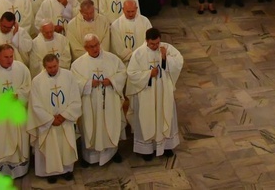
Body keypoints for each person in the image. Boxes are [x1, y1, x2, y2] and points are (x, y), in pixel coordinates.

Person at [126, 28, 184, 160]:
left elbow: (179, 62)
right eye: (152, 44)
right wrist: (148, 74)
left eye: (157, 43)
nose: (155, 46)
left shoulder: (166, 48)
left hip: (164, 91)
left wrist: (165, 58)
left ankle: (167, 146)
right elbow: (132, 74)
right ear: (146, 41)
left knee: (165, 114)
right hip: (147, 93)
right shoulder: (138, 54)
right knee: (148, 118)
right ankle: (146, 150)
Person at [71, 34, 127, 166]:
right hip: (90, 103)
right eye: (91, 46)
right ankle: (89, 157)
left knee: (110, 124)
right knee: (91, 126)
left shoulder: (112, 59)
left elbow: (122, 73)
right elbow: (74, 83)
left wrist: (112, 80)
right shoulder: (78, 64)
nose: (95, 49)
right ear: (85, 48)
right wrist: (89, 83)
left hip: (109, 101)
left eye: (97, 45)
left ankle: (112, 152)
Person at [27, 53, 81, 184]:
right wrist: (51, 119)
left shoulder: (68, 76)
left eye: (55, 66)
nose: (53, 69)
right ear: (44, 66)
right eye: (50, 67)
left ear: (58, 63)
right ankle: (50, 172)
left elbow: (75, 99)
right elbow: (35, 105)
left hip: (65, 120)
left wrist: (63, 116)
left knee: (65, 146)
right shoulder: (37, 81)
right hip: (47, 123)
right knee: (50, 148)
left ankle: (67, 170)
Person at [0, 43, 32, 178]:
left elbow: (28, 87)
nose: (9, 60)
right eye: (5, 57)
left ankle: (19, 170)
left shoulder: (21, 68)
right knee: (0, 141)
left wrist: (18, 95)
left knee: (18, 141)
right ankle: (0, 169)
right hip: (0, 116)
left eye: (11, 56)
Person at [110, 0, 152, 65]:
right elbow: (117, 45)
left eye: (133, 11)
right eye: (128, 11)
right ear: (123, 9)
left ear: (136, 9)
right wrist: (131, 56)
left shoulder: (145, 21)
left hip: (142, 58)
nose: (130, 14)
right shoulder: (116, 25)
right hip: (124, 62)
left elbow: (150, 39)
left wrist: (140, 54)